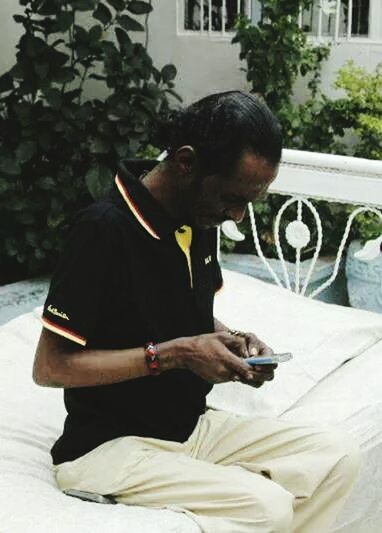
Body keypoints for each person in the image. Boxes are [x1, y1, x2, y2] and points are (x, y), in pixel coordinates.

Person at [33, 91, 360, 533]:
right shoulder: (102, 231)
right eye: (231, 198)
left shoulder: (196, 216)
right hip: (106, 449)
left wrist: (234, 340)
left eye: (248, 201)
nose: (238, 216)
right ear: (186, 163)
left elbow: (191, 313)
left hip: (189, 428)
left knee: (339, 455)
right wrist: (175, 354)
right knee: (268, 507)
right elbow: (50, 367)